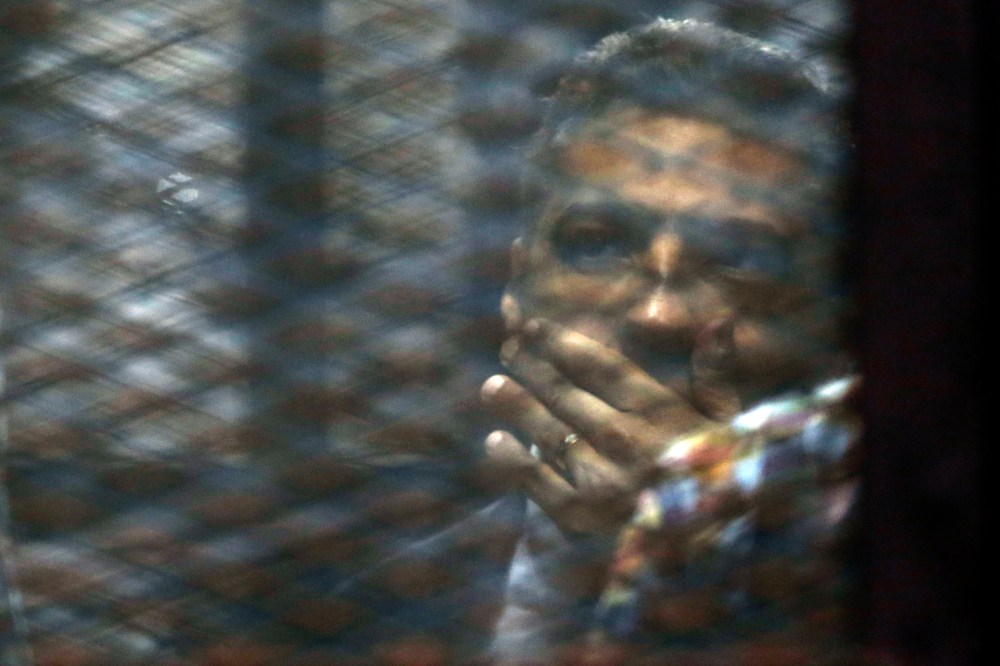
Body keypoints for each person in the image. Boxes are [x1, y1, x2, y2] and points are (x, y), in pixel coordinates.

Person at [479, 18, 860, 663]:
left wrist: (704, 562)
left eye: (744, 258)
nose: (659, 316)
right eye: (596, 244)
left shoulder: (897, 602)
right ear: (518, 286)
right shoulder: (387, 595)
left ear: (838, 321)